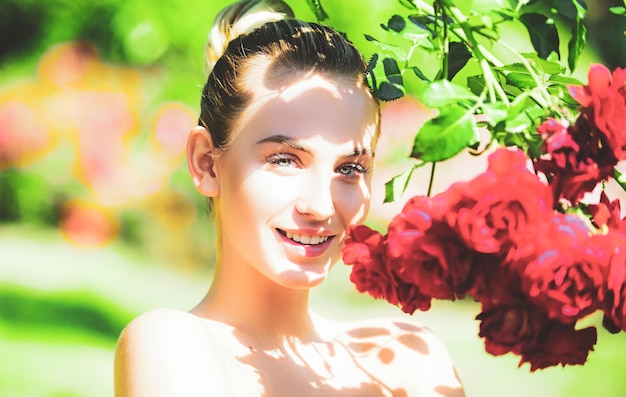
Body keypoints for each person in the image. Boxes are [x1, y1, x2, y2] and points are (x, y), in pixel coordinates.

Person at [114, 0, 465, 395]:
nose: (319, 206)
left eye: (349, 169)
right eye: (285, 160)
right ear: (206, 163)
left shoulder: (409, 356)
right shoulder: (172, 343)